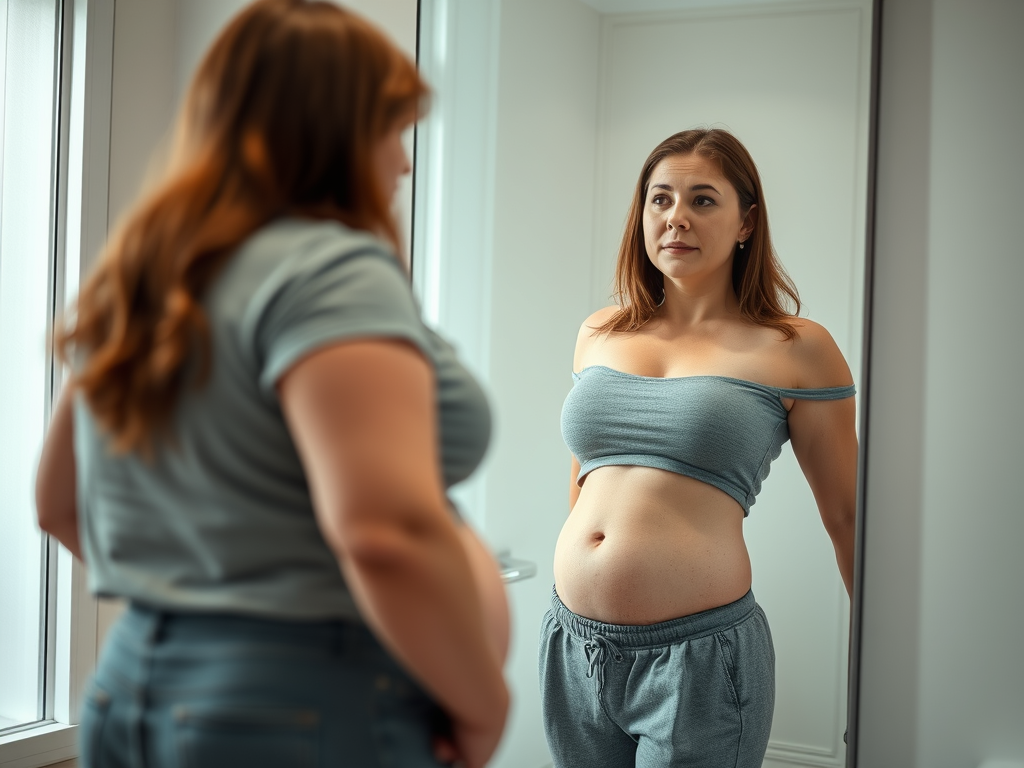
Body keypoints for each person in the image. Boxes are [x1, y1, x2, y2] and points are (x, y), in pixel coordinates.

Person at [33, 2, 508, 767]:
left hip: (132, 688)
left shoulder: (144, 274)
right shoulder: (328, 267)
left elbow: (57, 503)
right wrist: (485, 705)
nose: (404, 161)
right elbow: (382, 530)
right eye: (393, 129)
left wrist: (200, 617)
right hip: (305, 705)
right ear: (333, 133)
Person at [540, 128, 857, 768]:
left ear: (746, 221)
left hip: (698, 661)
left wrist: (882, 666)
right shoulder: (600, 331)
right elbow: (583, 487)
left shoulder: (797, 346)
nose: (676, 218)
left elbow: (848, 517)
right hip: (573, 645)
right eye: (660, 199)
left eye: (702, 200)